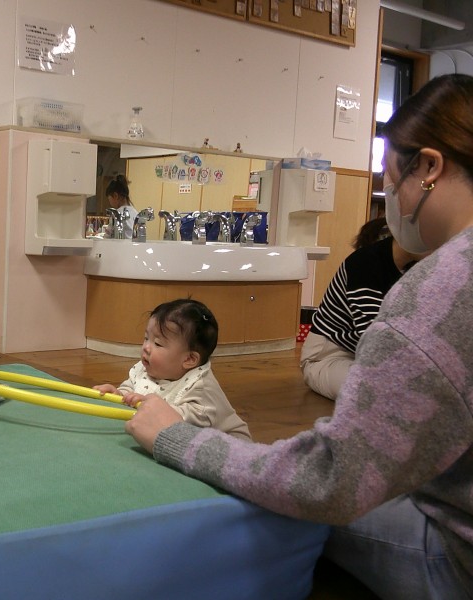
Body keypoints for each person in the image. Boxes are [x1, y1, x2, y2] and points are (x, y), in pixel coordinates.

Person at [125, 73, 473, 598]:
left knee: (264, 507)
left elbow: (329, 481)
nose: (390, 198)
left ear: (428, 168)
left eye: (390, 178)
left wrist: (177, 438)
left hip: (455, 560)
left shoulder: (438, 295)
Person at [300, 217, 423, 400]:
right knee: (389, 390)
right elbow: (375, 336)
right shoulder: (365, 262)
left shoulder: (411, 268)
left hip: (366, 356)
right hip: (328, 357)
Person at [94, 298, 251, 440]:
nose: (146, 347)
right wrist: (120, 395)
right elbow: (132, 387)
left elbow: (184, 423)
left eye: (158, 343)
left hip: (226, 447)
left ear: (189, 359)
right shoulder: (148, 368)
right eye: (146, 338)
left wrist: (148, 407)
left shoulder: (201, 387)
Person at [105, 174, 137, 238]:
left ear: (115, 196)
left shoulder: (116, 214)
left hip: (120, 243)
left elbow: (107, 236)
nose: (109, 203)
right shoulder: (135, 213)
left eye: (109, 199)